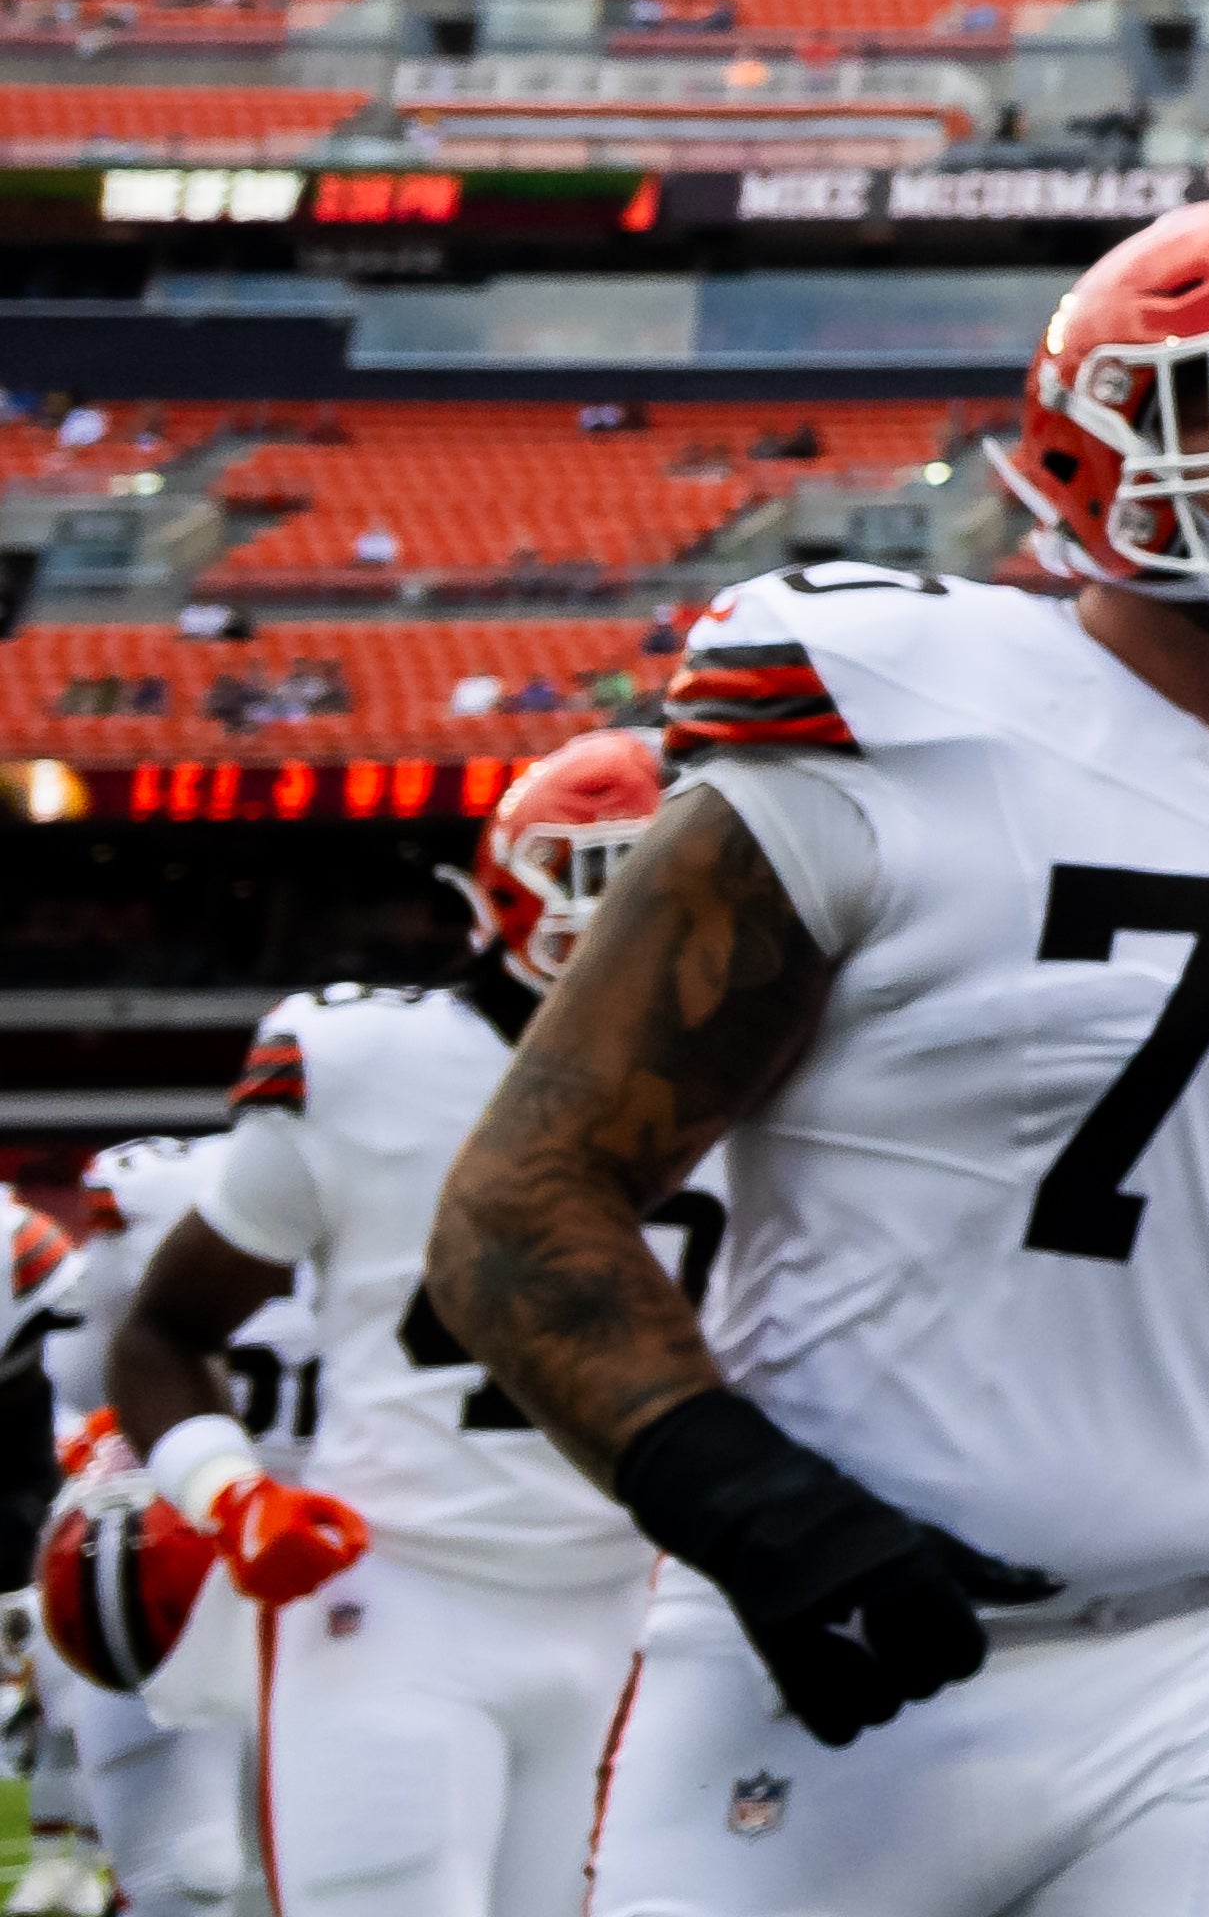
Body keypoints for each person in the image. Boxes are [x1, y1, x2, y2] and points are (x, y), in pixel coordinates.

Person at [421, 204, 1209, 1917]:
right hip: (839, 1649)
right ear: (1088, 434)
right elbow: (519, 1203)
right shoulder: (892, 705)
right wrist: (749, 1506)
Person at [103, 734, 693, 1917]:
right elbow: (159, 1330)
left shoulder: (780, 1065)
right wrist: (233, 1492)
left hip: (661, 1604)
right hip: (400, 1594)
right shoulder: (367, 1061)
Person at [29, 1136, 314, 1917]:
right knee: (206, 1874)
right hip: (204, 1558)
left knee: (256, 1869)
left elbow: (85, 1382)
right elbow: (92, 1388)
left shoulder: (158, 1186)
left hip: (309, 1558)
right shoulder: (154, 1191)